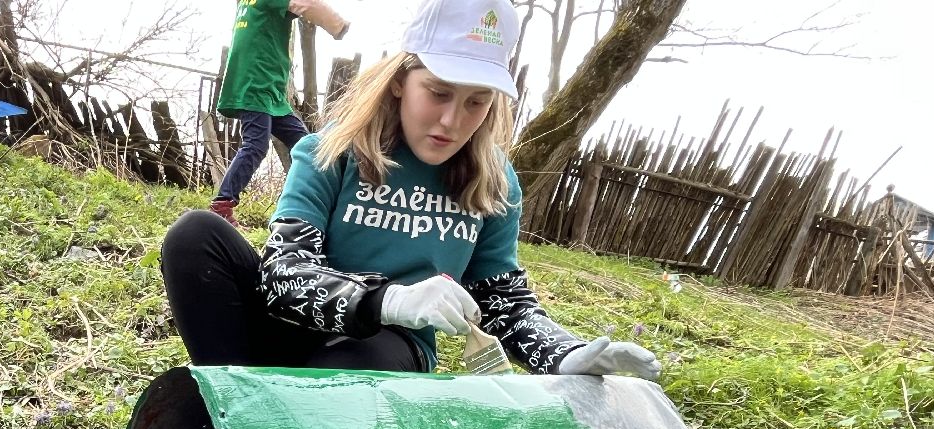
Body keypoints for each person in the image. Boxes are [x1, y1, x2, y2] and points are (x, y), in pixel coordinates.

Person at [166, 0, 659, 380]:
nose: (452, 120)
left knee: (360, 365)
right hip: (298, 328)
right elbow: (283, 273)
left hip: (383, 350)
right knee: (196, 235)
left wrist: (564, 354)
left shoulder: (494, 185)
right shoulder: (330, 153)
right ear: (402, 79)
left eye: (476, 102)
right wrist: (387, 298)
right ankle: (230, 404)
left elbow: (503, 303)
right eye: (439, 93)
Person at [210, 0, 351, 223]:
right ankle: (222, 205)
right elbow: (307, 4)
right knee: (256, 144)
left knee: (307, 145)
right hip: (257, 83)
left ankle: (315, 204)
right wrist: (339, 25)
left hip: (268, 88)